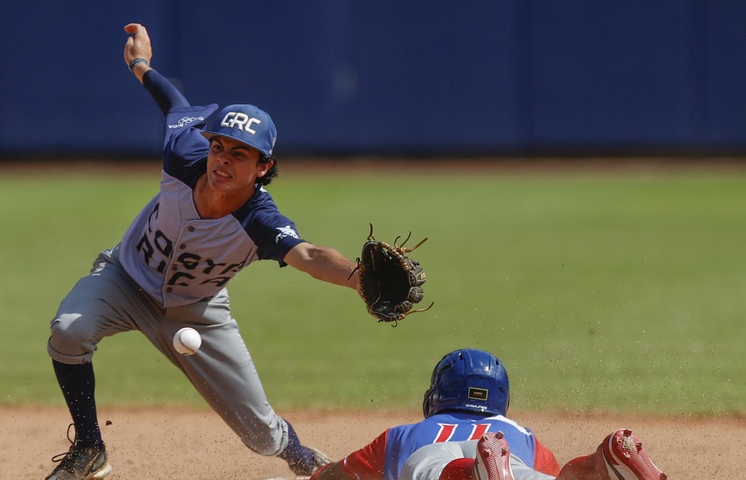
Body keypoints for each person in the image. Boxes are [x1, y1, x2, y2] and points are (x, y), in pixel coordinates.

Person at [44, 23, 364, 480]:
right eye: (219, 147)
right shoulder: (183, 153)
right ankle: (90, 450)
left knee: (260, 435)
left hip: (197, 310)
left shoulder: (259, 220)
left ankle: (299, 456)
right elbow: (174, 104)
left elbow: (309, 255)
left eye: (240, 154)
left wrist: (359, 278)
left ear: (263, 167)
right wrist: (140, 66)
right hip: (124, 278)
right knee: (68, 331)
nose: (223, 160)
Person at [310, 349, 668, 480]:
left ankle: (474, 474)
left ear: (436, 395)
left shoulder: (401, 435)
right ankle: (601, 462)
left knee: (426, 472)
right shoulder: (523, 436)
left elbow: (338, 477)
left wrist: (317, 473)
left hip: (442, 460)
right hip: (505, 458)